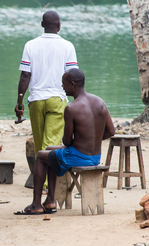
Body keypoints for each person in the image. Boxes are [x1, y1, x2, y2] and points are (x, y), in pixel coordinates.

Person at [15, 69, 114, 215]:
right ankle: (49, 201)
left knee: (41, 156)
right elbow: (111, 131)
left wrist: (79, 142)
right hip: (95, 156)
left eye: (64, 84)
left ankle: (36, 204)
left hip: (79, 156)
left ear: (73, 84)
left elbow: (67, 142)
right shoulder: (100, 102)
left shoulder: (71, 108)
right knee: (49, 149)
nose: (62, 87)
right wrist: (89, 140)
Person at [15, 10, 78, 159]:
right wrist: (78, 102)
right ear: (59, 26)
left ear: (42, 24)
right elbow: (73, 77)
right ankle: (47, 182)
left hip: (36, 100)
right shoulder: (67, 46)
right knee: (50, 146)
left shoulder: (30, 45)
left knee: (40, 146)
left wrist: (19, 102)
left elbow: (25, 75)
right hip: (57, 99)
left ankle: (42, 181)